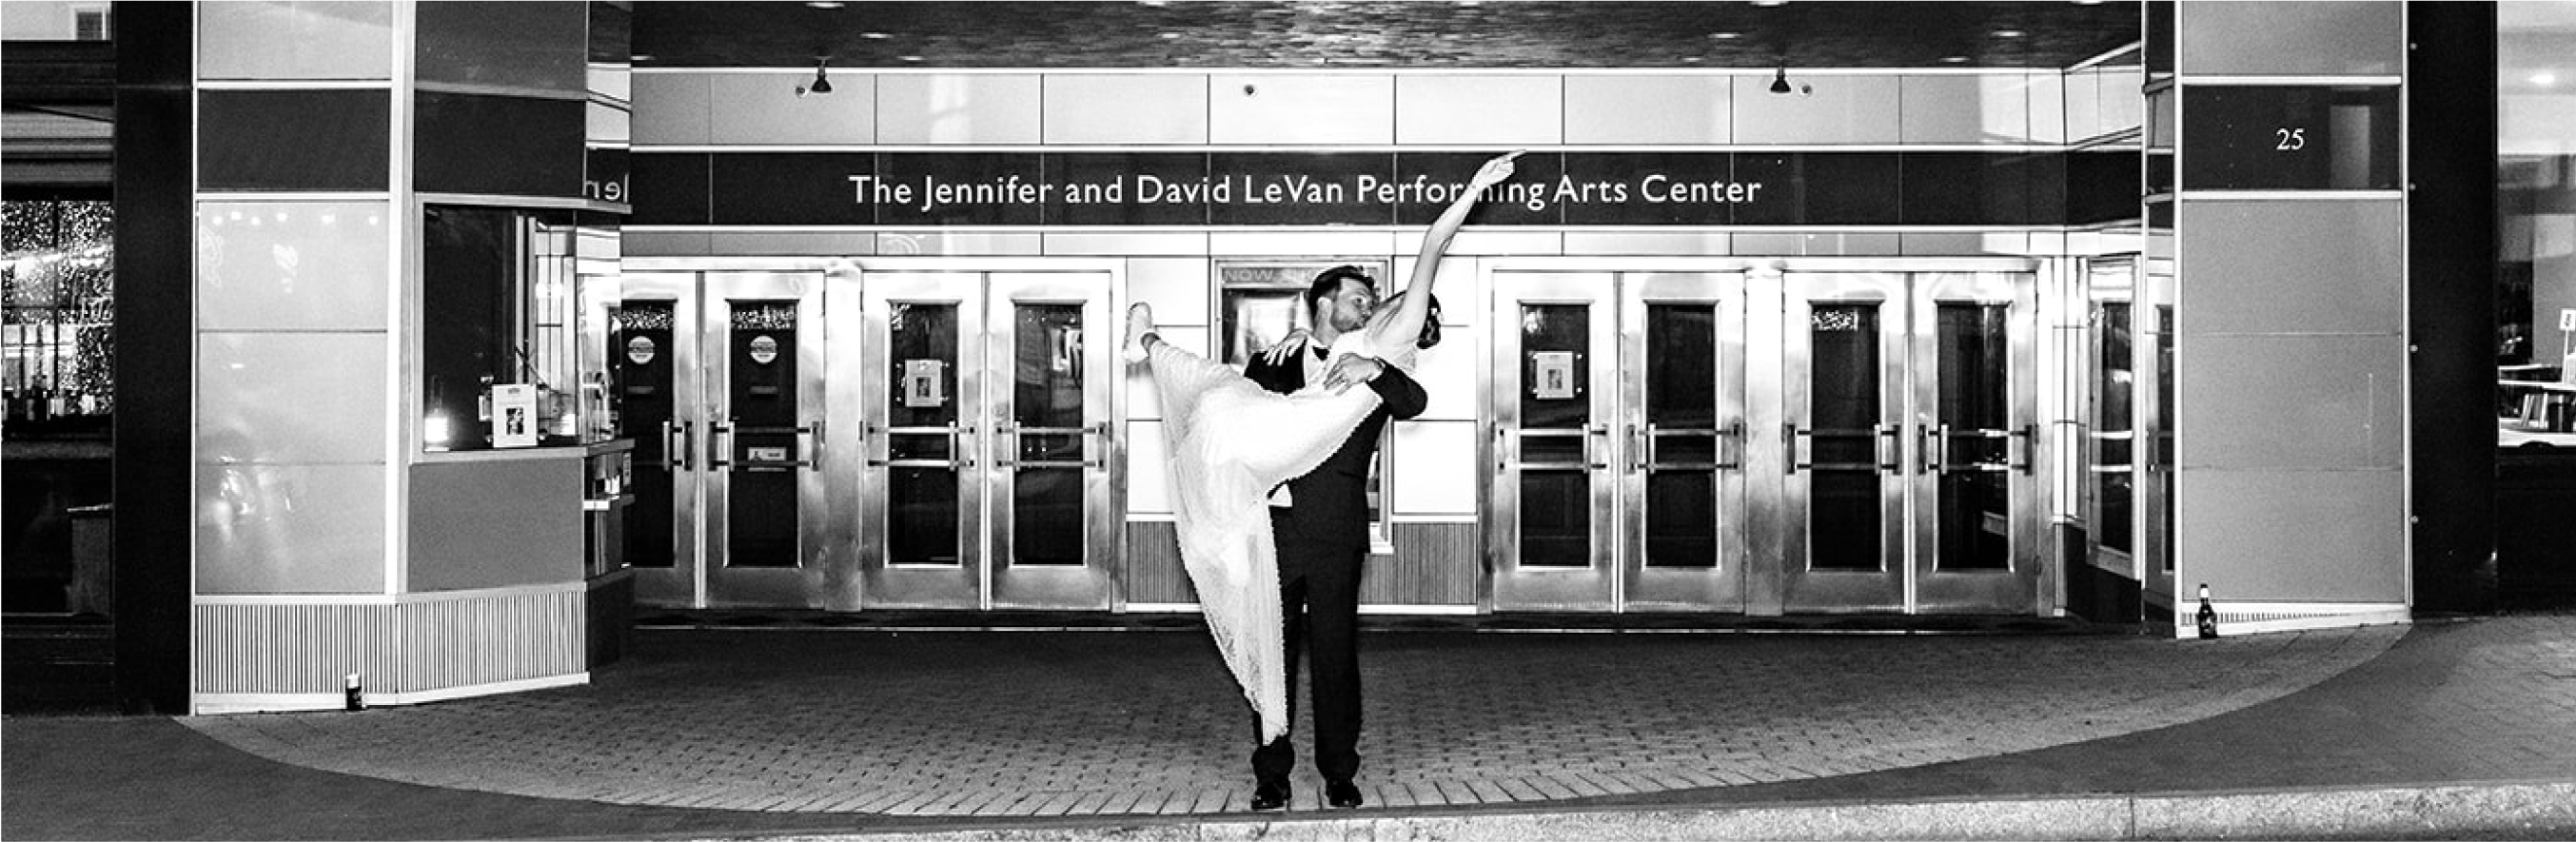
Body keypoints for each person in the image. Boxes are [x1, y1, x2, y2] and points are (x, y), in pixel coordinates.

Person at [1125, 150, 1520, 812]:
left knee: (1336, 658)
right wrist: (1299, 359)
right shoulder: (1276, 357)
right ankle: (1271, 774)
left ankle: (1340, 772)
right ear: (1323, 304)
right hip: (1272, 523)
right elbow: (1261, 399)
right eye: (1358, 298)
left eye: (1378, 299)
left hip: (1333, 530)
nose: (1372, 303)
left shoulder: (1387, 353)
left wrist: (1474, 190)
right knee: (1270, 648)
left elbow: (1430, 270)